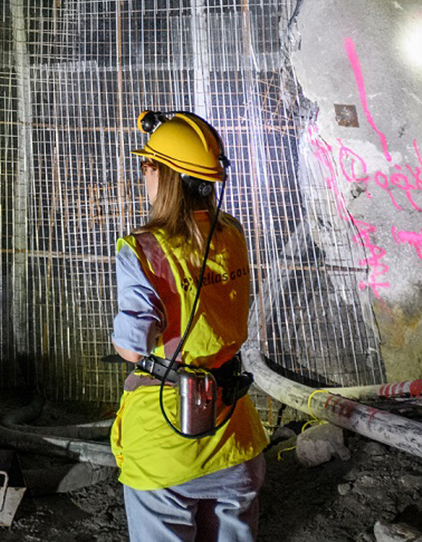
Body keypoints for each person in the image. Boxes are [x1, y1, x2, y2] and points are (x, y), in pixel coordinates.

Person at [110, 110, 269, 541]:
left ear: (165, 174)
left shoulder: (143, 249)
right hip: (234, 433)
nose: (143, 173)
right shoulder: (232, 234)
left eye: (147, 165)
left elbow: (132, 346)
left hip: (167, 441)